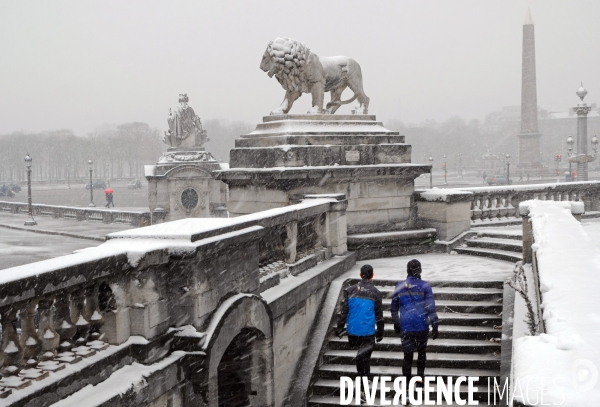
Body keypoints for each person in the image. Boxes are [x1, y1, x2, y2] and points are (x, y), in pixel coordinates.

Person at [390, 259, 439, 386]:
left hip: (406, 327)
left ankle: (406, 384)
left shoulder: (399, 285)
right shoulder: (425, 286)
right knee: (422, 354)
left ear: (407, 270)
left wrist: (396, 323)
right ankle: (420, 380)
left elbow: (394, 307)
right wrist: (435, 324)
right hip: (421, 326)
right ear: (420, 270)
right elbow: (430, 307)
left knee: (407, 357)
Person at [336, 264, 384, 381]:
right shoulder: (375, 292)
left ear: (360, 275)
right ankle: (363, 383)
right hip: (367, 331)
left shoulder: (350, 290)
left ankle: (363, 377)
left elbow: (344, 311)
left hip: (353, 331)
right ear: (372, 275)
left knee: (361, 356)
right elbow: (379, 315)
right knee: (365, 357)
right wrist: (380, 332)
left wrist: (340, 327)